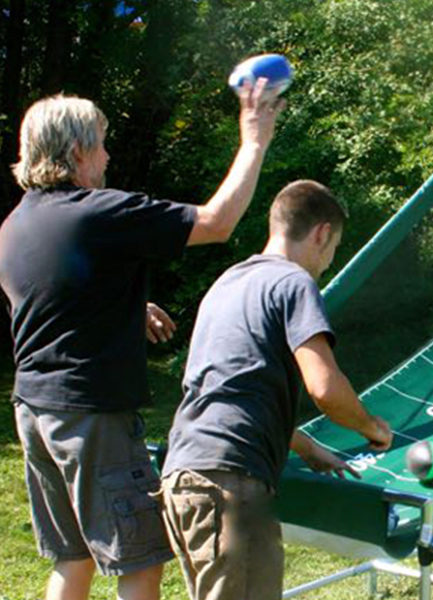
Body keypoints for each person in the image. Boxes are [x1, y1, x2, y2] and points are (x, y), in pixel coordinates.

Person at [0, 78, 284, 600]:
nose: (107, 157)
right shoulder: (99, 212)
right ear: (78, 150)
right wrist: (254, 140)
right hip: (92, 418)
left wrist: (126, 308)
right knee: (140, 564)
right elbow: (216, 223)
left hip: (35, 413)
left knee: (73, 559)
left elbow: (48, 301)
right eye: (102, 143)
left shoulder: (17, 224)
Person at [160, 179, 393, 600]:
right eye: (334, 246)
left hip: (185, 474)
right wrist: (371, 427)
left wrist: (306, 448)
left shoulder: (228, 283)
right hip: (231, 485)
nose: (328, 262)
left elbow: (229, 391)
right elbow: (324, 386)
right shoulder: (294, 283)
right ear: (322, 233)